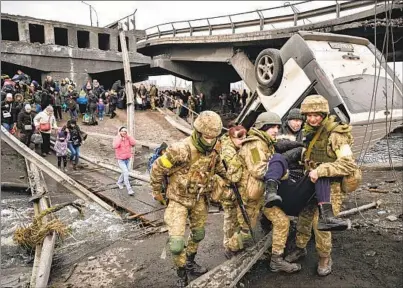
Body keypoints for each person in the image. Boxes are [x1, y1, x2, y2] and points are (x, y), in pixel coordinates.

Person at [150, 111, 226, 287]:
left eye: (214, 137)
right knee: (176, 244)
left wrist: (228, 179)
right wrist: (156, 191)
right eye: (207, 136)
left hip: (199, 198)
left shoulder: (215, 146)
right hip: (178, 199)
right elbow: (157, 168)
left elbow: (219, 165)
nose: (210, 140)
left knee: (199, 234)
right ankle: (181, 271)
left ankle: (190, 261)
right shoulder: (180, 150)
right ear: (198, 132)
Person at [285, 95, 359, 276]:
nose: (311, 119)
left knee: (321, 224)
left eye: (316, 115)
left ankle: (325, 257)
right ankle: (300, 247)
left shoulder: (336, 134)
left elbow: (349, 164)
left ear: (324, 114)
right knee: (304, 216)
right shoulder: (310, 130)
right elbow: (311, 153)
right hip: (311, 181)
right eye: (308, 115)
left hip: (331, 185)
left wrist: (322, 169)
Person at [212, 125, 246, 259]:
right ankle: (228, 246)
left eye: (244, 137)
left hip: (233, 187)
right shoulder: (228, 151)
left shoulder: (234, 147)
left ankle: (235, 244)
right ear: (231, 138)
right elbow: (234, 175)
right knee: (230, 219)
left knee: (236, 218)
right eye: (239, 138)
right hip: (228, 189)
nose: (242, 140)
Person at [112, 126, 136, 196]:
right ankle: (129, 189)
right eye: (122, 131)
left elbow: (134, 143)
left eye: (125, 131)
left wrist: (129, 136)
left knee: (125, 172)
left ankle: (119, 182)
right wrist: (120, 138)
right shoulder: (116, 138)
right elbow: (115, 146)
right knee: (126, 173)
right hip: (121, 160)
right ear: (119, 132)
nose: (124, 132)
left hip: (128, 159)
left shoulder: (128, 138)